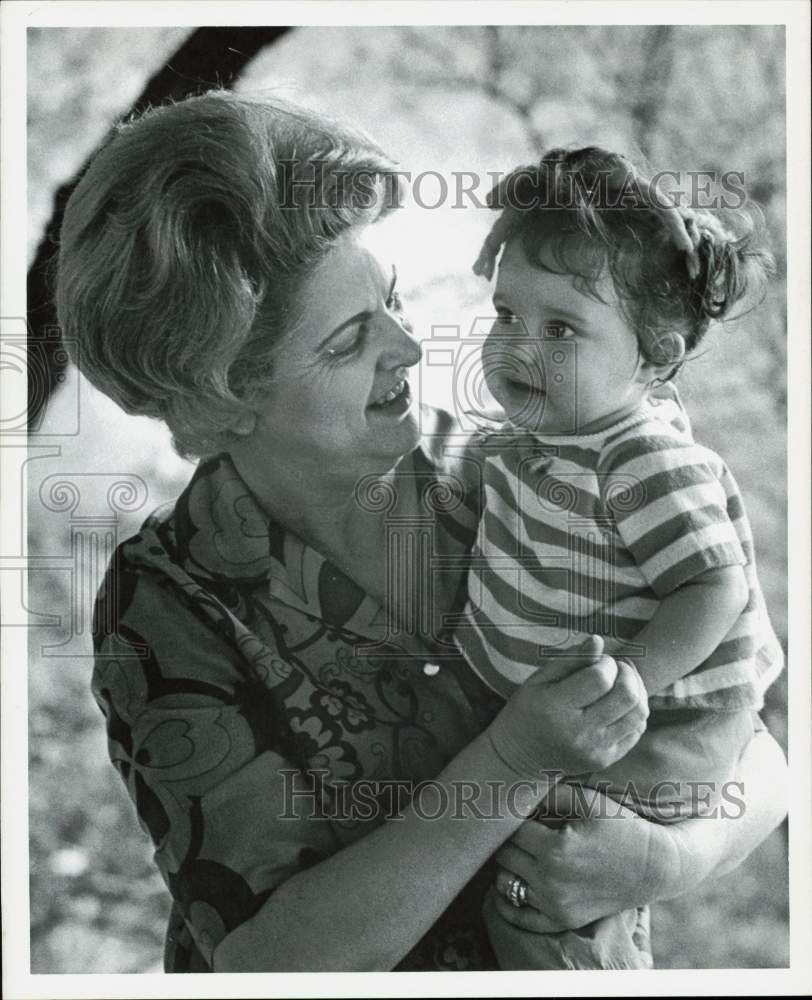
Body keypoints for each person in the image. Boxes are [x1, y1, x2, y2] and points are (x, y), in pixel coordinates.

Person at [55, 92, 788, 972]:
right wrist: (514, 759)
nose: (408, 347)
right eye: (347, 341)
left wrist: (671, 857)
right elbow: (267, 967)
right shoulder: (166, 602)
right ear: (226, 394)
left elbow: (756, 737)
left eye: (393, 299)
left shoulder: (527, 461)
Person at [453, 147, 784, 968]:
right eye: (506, 315)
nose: (517, 348)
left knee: (552, 889)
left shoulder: (639, 457)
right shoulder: (548, 438)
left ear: (655, 353)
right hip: (593, 725)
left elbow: (712, 586)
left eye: (561, 328)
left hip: (658, 731)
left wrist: (627, 679)